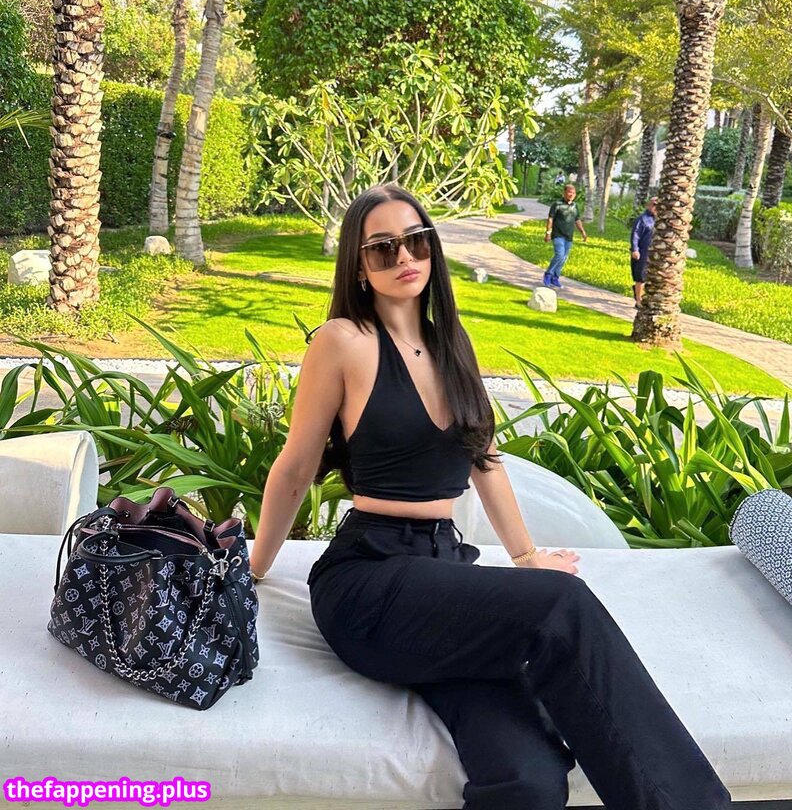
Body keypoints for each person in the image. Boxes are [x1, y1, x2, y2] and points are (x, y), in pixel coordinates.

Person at [249, 182, 730, 810]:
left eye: (416, 240)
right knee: (560, 605)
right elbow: (296, 465)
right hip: (370, 580)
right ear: (359, 267)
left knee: (529, 778)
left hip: (443, 573)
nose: (404, 257)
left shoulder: (452, 345)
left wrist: (526, 556)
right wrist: (255, 566)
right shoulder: (343, 341)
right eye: (383, 248)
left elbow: (486, 459)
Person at [543, 183, 587, 288]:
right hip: (558, 235)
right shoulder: (557, 204)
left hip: (568, 236)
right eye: (569, 192)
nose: (571, 195)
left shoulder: (575, 206)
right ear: (564, 193)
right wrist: (548, 233)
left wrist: (583, 232)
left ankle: (555, 278)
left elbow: (577, 220)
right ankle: (548, 274)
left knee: (564, 258)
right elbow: (550, 219)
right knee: (559, 255)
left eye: (573, 193)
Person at [630, 195, 658, 309]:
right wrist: (635, 250)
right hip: (642, 252)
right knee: (640, 277)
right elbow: (635, 235)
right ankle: (638, 301)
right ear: (648, 205)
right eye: (654, 205)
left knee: (650, 277)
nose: (656, 207)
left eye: (658, 205)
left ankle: (642, 296)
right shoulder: (643, 219)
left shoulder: (660, 220)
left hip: (654, 254)